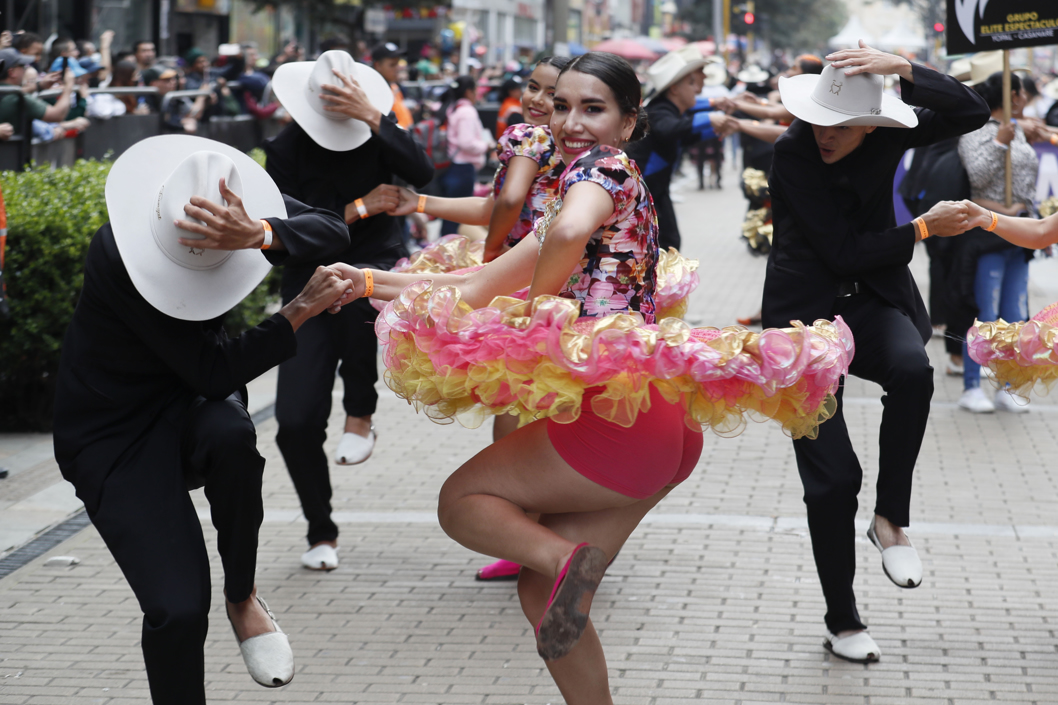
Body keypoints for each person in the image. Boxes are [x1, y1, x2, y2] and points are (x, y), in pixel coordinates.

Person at [329, 51, 851, 705]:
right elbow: (481, 280)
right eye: (563, 105)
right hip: (660, 425)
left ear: (630, 121)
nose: (571, 120)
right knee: (545, 600)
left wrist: (537, 305)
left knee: (461, 502)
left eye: (593, 108)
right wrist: (369, 281)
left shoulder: (600, 171)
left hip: (617, 418)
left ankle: (566, 560)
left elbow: (567, 232)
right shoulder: (589, 182)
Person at [52, 135, 354, 705]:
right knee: (178, 607)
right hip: (111, 433)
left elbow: (333, 230)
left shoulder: (220, 196)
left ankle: (243, 597)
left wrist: (260, 232)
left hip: (190, 408)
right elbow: (212, 371)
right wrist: (298, 311)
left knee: (232, 431)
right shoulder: (116, 253)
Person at [760, 41, 989, 663]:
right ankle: (843, 619)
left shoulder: (890, 136)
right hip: (804, 318)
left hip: (872, 301)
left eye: (842, 126)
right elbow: (840, 252)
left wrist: (906, 70)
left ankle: (891, 518)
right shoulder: (793, 155)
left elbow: (973, 111)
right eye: (817, 122)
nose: (825, 135)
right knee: (834, 482)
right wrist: (920, 230)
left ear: (872, 123)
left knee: (913, 370)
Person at [267, 50, 434, 571]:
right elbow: (280, 236)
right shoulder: (286, 149)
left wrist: (373, 116)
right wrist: (362, 207)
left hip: (374, 266)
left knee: (363, 334)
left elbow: (422, 171)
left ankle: (361, 415)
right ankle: (321, 530)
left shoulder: (376, 134)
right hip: (309, 276)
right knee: (294, 422)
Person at [956, 71, 1041, 414]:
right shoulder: (976, 130)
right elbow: (976, 176)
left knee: (1015, 317)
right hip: (987, 236)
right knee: (985, 316)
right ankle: (972, 385)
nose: (1025, 99)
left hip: (1018, 236)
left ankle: (1008, 385)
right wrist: (999, 143)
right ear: (1012, 96)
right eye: (1020, 92)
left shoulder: (1020, 128)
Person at [625, 45, 732, 252]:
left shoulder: (668, 108)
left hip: (656, 193)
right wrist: (710, 117)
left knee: (669, 243)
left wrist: (719, 124)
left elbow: (684, 134)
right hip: (643, 196)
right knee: (664, 246)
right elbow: (670, 129)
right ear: (674, 88)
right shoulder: (658, 111)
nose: (700, 82)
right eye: (692, 81)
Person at [439, 75, 489, 235]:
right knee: (457, 218)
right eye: (475, 90)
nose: (477, 94)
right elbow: (466, 142)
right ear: (468, 92)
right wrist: (486, 146)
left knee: (450, 216)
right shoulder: (467, 111)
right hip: (462, 170)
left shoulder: (453, 108)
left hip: (455, 168)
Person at [0, 47, 75, 132]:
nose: (25, 70)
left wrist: (40, 86)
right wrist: (68, 87)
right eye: (22, 66)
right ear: (11, 72)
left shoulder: (9, 93)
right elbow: (57, 115)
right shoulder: (16, 98)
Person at [371, 41, 413, 128]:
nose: (397, 68)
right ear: (377, 65)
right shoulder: (373, 92)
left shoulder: (394, 86)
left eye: (397, 63)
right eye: (392, 65)